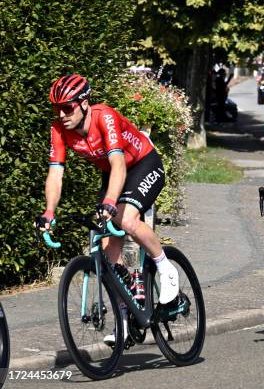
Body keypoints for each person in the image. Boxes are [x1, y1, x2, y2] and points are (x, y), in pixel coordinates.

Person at [38, 74, 180, 344]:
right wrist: (49, 212)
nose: (61, 114)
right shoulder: (59, 130)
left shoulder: (105, 117)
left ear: (84, 103)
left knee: (125, 219)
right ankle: (125, 322)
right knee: (107, 251)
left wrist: (111, 203)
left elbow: (118, 164)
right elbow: (55, 174)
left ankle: (166, 268)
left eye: (67, 107)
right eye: (56, 108)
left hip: (142, 163)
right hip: (114, 173)